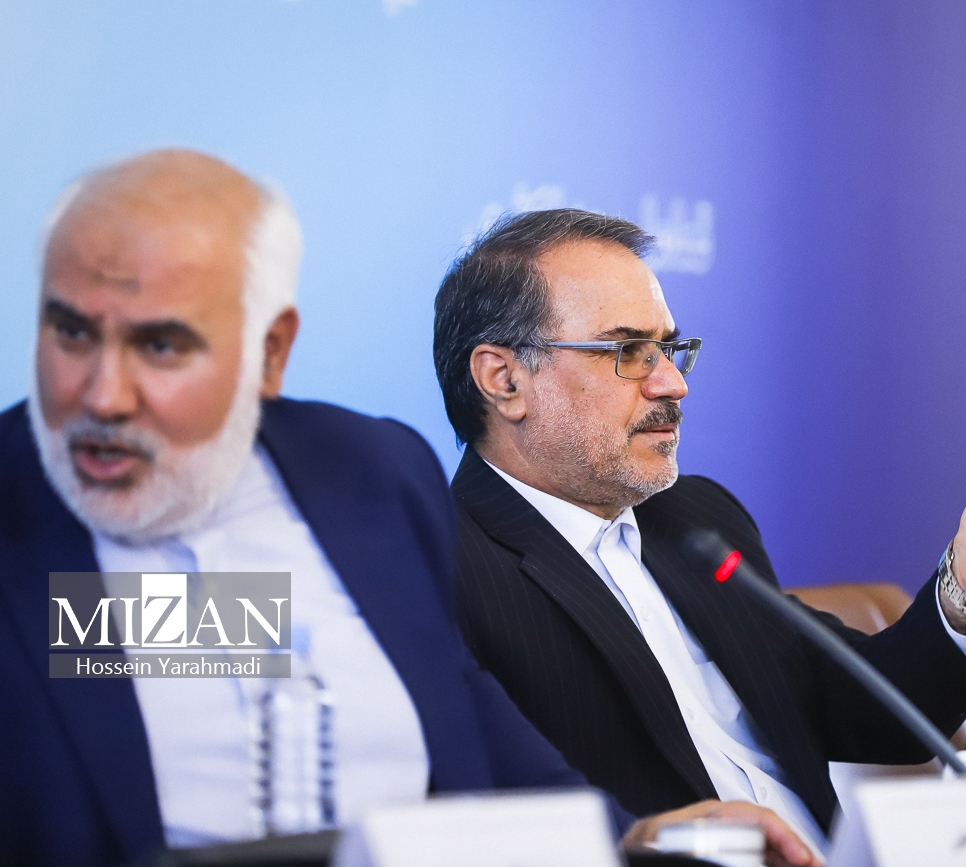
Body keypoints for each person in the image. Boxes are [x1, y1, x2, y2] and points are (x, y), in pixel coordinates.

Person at [0, 151, 816, 867]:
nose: (102, 395)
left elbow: (469, 718)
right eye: (71, 333)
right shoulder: (21, 510)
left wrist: (628, 837)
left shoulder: (369, 475)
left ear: (269, 352)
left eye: (161, 345)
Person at [433, 208, 966, 852]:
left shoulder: (694, 520)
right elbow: (481, 815)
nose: (672, 384)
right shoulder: (445, 563)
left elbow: (874, 714)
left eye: (670, 349)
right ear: (504, 379)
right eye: (627, 351)